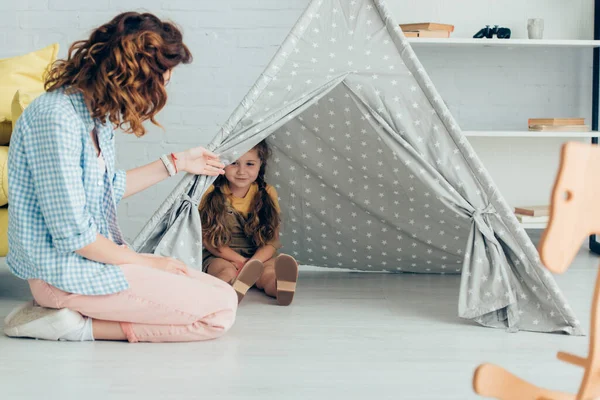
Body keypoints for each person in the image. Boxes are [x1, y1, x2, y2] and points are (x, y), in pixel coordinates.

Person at [3, 12, 238, 343]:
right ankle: (72, 326)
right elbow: (75, 236)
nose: (160, 95)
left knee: (220, 293)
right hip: (63, 275)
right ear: (134, 78)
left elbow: (105, 190)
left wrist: (179, 161)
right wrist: (145, 263)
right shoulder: (55, 120)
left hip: (96, 261)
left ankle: (77, 314)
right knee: (218, 314)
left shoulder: (94, 117)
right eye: (161, 83)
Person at [200, 140, 299, 306]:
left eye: (250, 164)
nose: (241, 171)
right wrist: (241, 262)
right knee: (225, 271)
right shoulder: (211, 192)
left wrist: (254, 263)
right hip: (221, 253)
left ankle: (278, 287)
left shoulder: (267, 192)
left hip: (259, 255)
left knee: (268, 272)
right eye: (234, 163)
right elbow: (209, 241)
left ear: (261, 164)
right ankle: (226, 291)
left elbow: (272, 242)